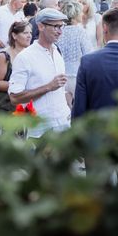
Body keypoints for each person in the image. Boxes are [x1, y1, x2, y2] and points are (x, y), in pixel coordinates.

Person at [8, 8, 70, 139]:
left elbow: (60, 91)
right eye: (56, 26)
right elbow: (14, 97)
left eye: (62, 26)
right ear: (41, 26)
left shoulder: (57, 52)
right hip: (39, 131)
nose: (60, 31)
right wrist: (48, 87)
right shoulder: (25, 57)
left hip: (63, 123)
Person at [0, 21, 32, 129]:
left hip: (23, 105)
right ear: (14, 35)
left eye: (30, 33)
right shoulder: (4, 56)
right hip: (5, 106)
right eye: (25, 33)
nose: (29, 36)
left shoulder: (30, 55)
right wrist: (19, 86)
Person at [56, 1, 93, 107]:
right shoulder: (80, 31)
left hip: (60, 76)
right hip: (77, 76)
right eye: (80, 12)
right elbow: (88, 54)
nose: (82, 15)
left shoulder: (58, 31)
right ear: (75, 14)